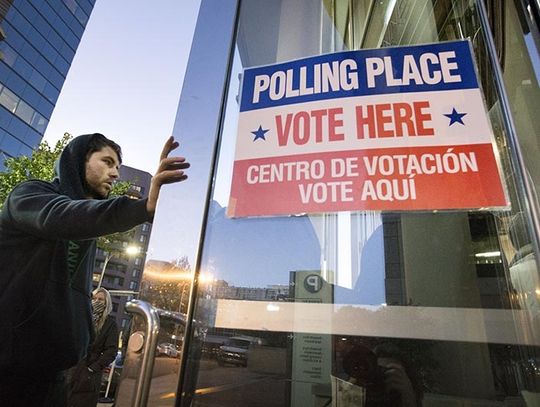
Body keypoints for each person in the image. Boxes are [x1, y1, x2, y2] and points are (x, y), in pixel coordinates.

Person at [0, 133, 189, 406]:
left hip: (52, 373)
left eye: (117, 168)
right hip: (9, 368)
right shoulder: (30, 194)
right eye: (107, 162)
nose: (114, 173)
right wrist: (143, 207)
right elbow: (63, 216)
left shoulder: (88, 224)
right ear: (78, 161)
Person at [67, 288, 118, 407]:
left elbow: (111, 351)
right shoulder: (83, 318)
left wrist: (92, 368)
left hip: (89, 375)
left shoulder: (110, 324)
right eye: (94, 298)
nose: (96, 301)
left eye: (100, 299)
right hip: (72, 368)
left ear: (107, 303)